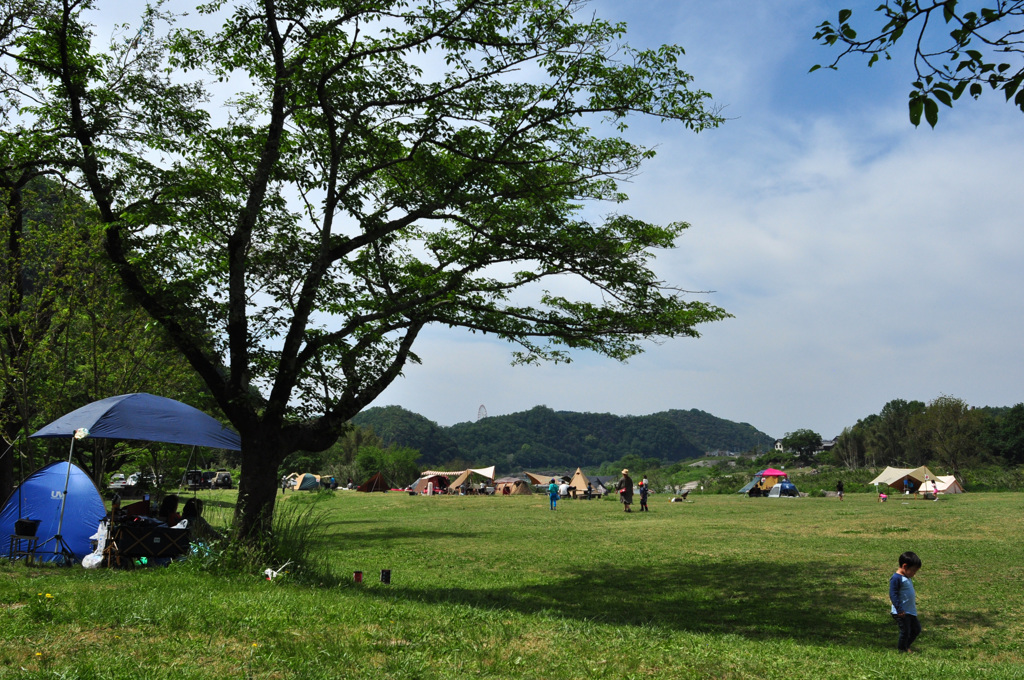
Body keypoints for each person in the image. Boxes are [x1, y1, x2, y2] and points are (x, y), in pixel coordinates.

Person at [889, 551, 923, 653]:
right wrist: (899, 609)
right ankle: (902, 650)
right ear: (905, 566)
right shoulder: (896, 578)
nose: (914, 574)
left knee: (916, 629)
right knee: (905, 631)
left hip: (910, 611)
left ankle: (906, 646)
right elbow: (893, 594)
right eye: (913, 571)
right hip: (901, 612)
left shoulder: (906, 577)